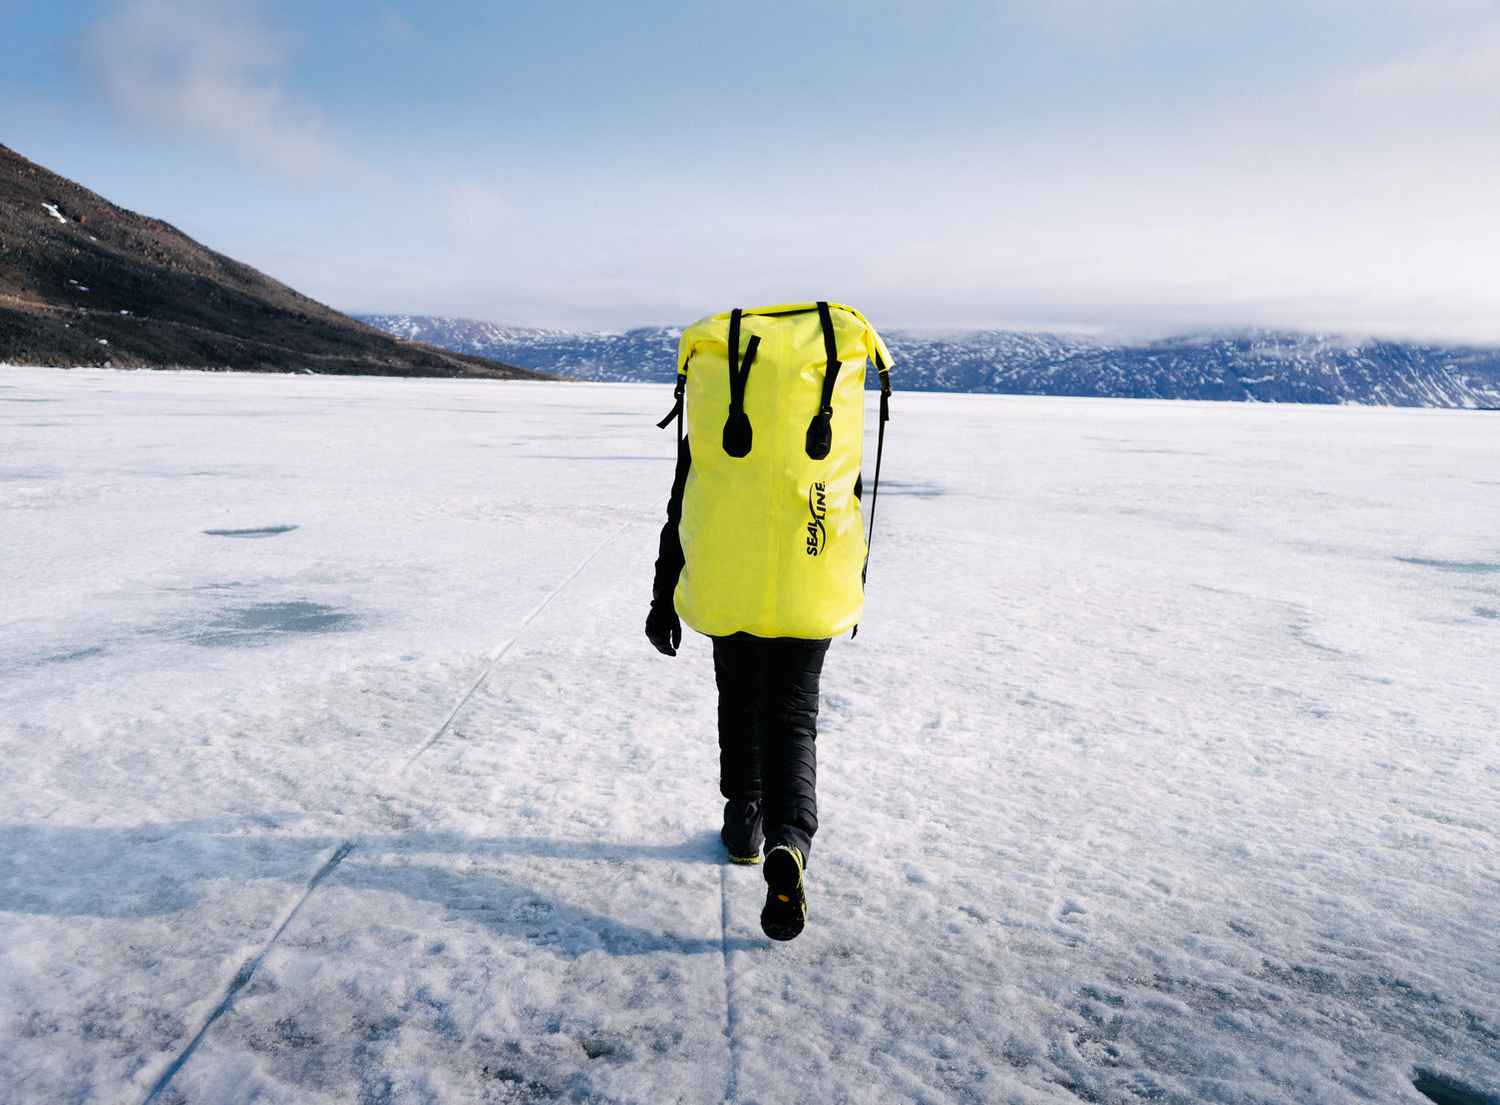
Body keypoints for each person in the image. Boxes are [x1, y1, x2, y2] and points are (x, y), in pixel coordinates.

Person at [644, 303, 890, 943]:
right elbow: (849, 506)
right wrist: (850, 582)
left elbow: (682, 510)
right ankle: (789, 841)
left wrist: (661, 597)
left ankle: (745, 822)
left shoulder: (715, 422)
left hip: (729, 578)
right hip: (811, 583)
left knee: (740, 699)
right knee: (792, 716)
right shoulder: (826, 423)